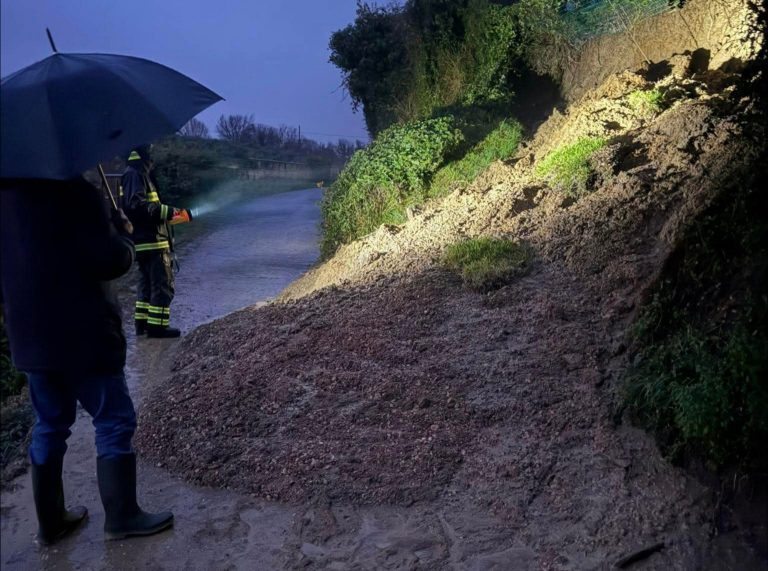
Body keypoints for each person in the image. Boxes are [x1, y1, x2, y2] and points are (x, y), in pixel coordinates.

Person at [0, 176, 173, 544]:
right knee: (113, 420)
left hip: (29, 335)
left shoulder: (5, 198)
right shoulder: (75, 192)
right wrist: (124, 236)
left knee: (50, 424)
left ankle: (51, 524)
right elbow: (108, 260)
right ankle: (122, 517)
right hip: (84, 334)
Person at [121, 145, 188, 338]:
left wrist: (172, 215)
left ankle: (143, 325)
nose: (152, 152)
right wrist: (168, 211)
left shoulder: (138, 172)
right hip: (152, 242)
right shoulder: (135, 173)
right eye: (149, 148)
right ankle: (157, 328)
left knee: (147, 286)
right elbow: (138, 206)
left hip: (148, 241)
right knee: (162, 285)